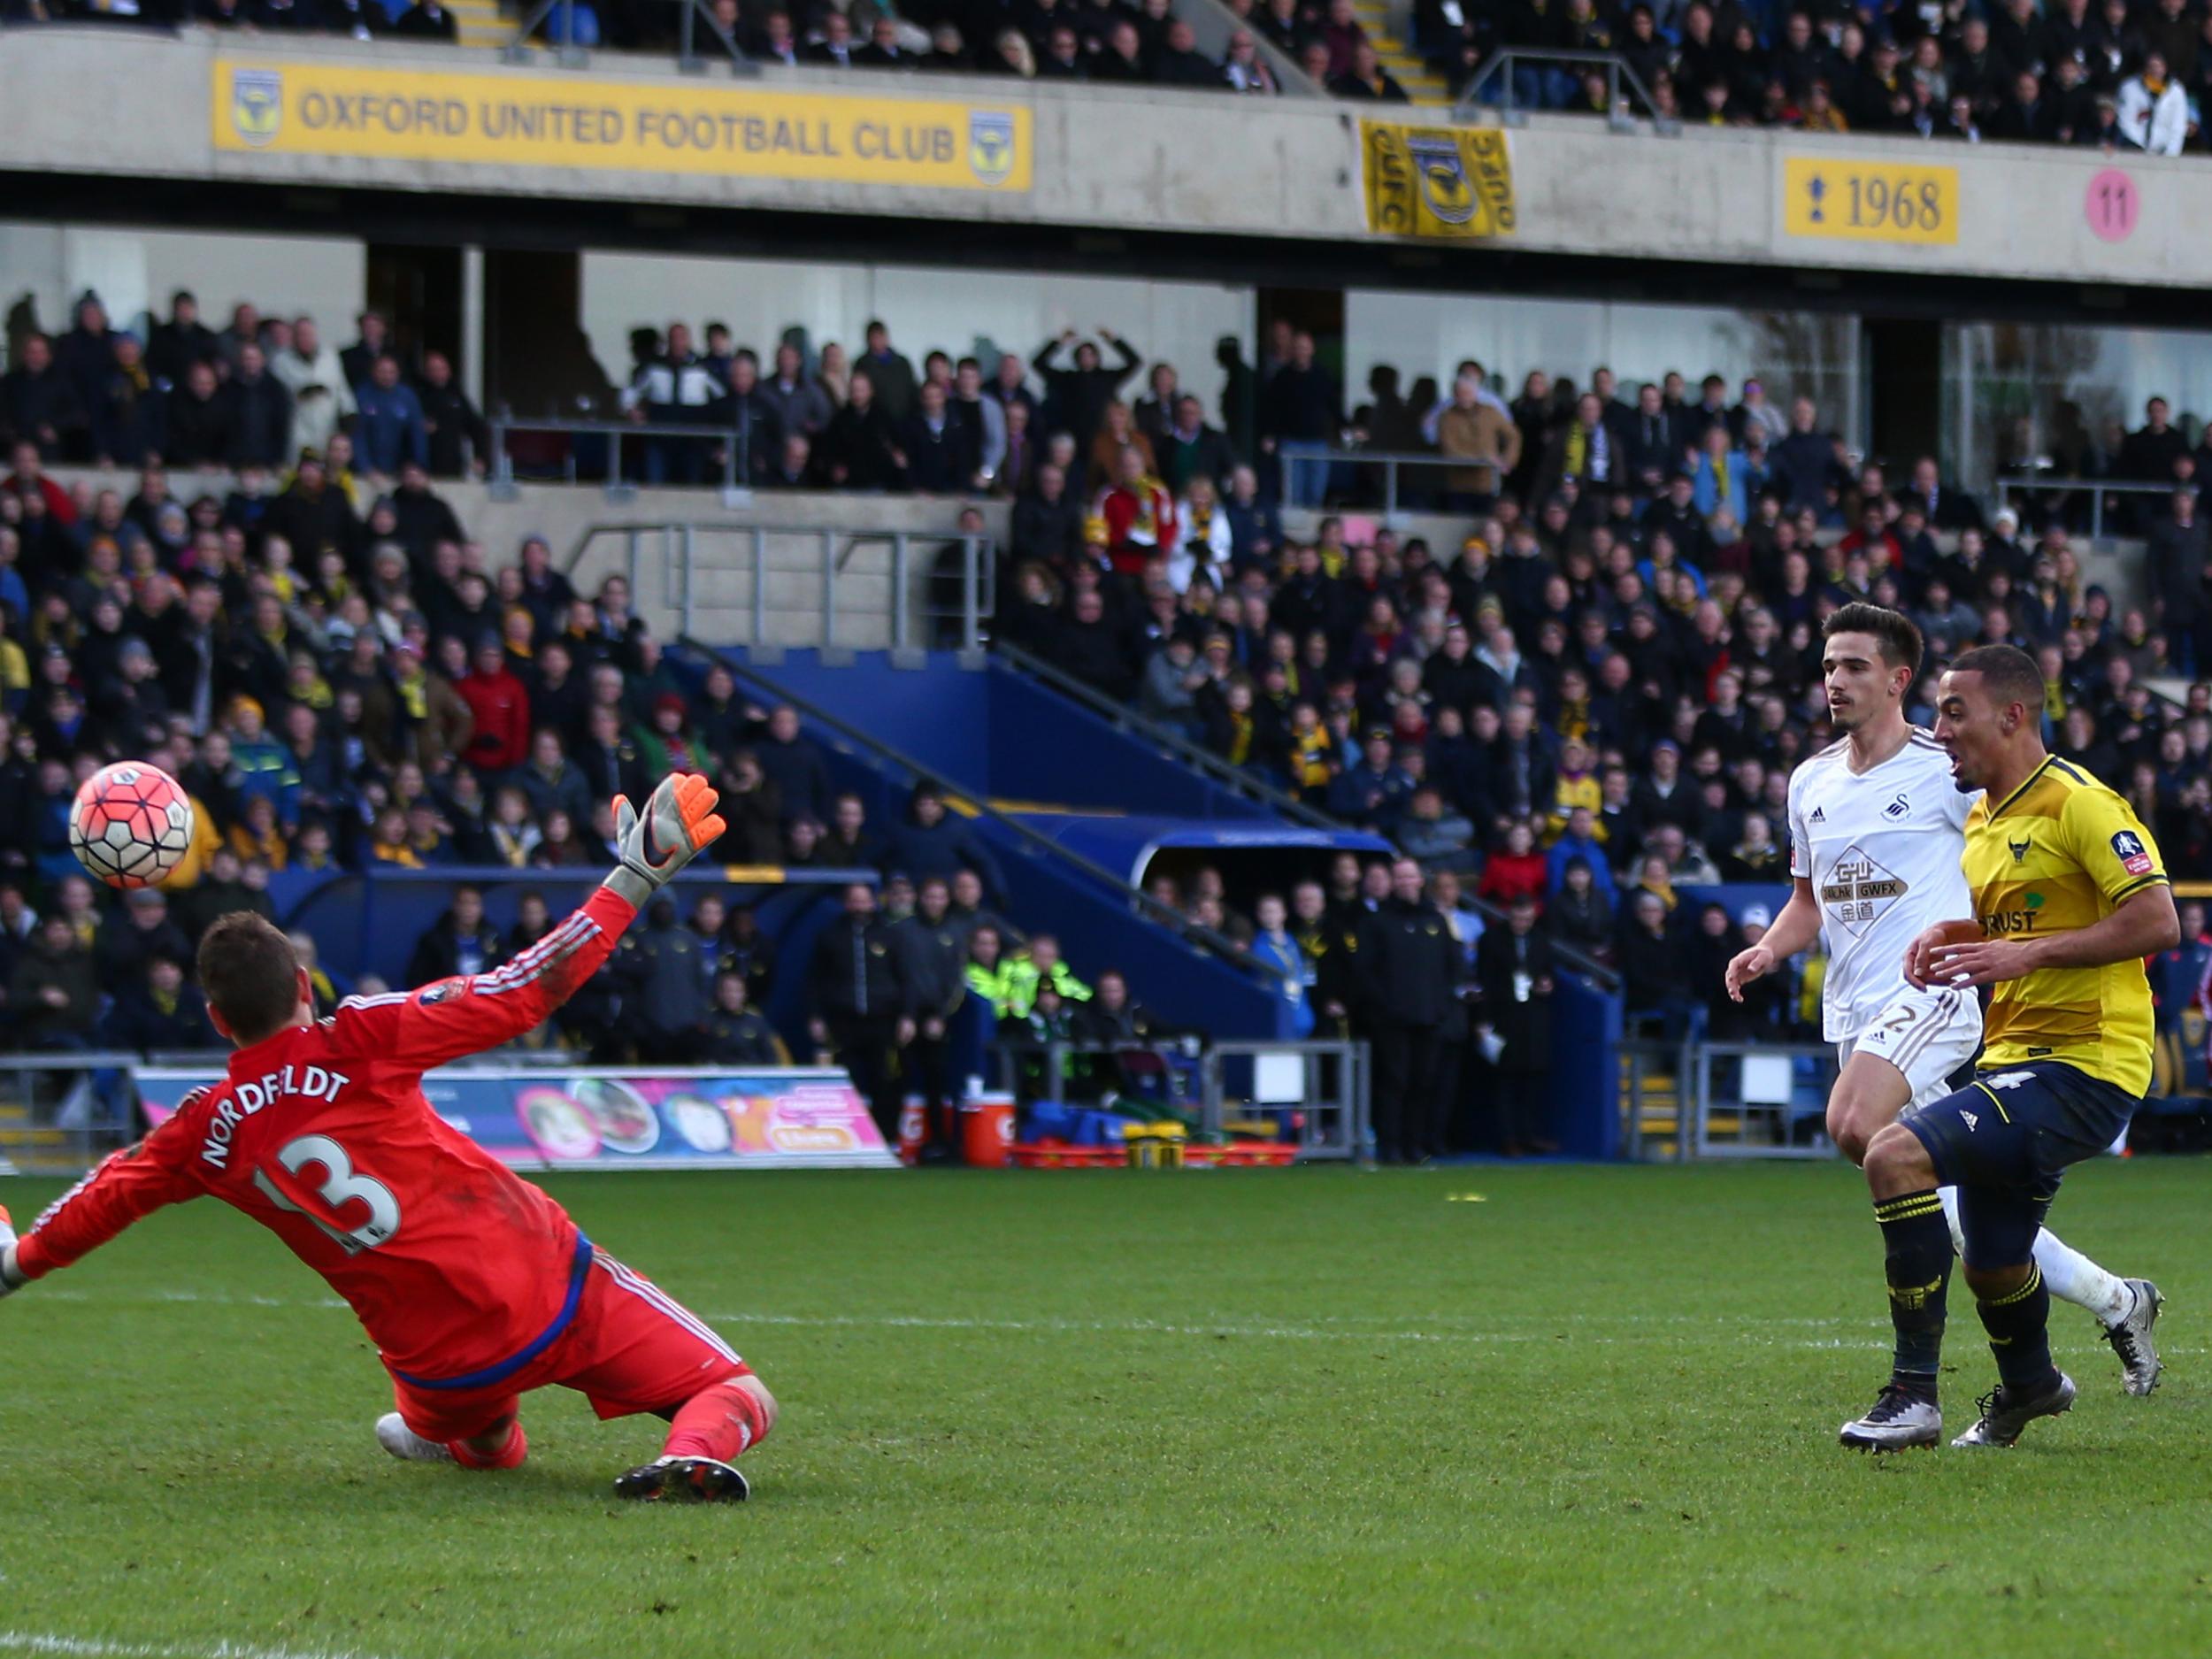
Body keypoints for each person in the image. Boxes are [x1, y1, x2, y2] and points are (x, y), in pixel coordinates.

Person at [0, 774, 777, 1502]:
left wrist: (17, 1262)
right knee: (737, 1389)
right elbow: (521, 991)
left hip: (438, 1366)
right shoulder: (360, 1038)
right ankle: (692, 1451)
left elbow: (107, 1195)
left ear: (217, 1019)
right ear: (305, 987)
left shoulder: (206, 1127)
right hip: (546, 1285)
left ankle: (475, 1435)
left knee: (471, 1428)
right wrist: (631, 879)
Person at [1725, 609, 2162, 1452]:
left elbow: (2136, 906)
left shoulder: (1960, 776)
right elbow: (1811, 899)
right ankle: (2107, 1309)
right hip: (1874, 1009)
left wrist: (1990, 954)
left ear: (1896, 679)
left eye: (1854, 665)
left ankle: (1915, 1391)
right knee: (1973, 1231)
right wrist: (1771, 948)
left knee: (1868, 1133)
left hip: (1944, 1004)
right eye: (1827, 665)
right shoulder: (1818, 782)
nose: (1834, 680)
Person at [1356, 857, 1455, 1164]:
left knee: (1423, 1082)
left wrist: (1441, 1005)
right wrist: (1385, 1006)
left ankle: (1416, 1146)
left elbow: (1452, 966)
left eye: (1409, 876)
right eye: (1398, 877)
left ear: (1420, 880)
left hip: (1429, 1018)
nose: (1405, 882)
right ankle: (1391, 1147)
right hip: (1392, 1021)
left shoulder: (1436, 921)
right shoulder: (1378, 922)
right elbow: (1365, 971)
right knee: (1394, 1082)